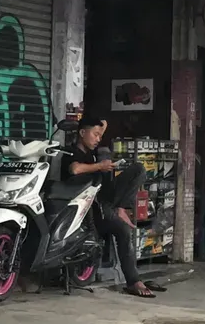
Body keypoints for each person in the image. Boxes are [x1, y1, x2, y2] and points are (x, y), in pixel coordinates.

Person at [61, 115, 156, 298]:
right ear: (82, 133)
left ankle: (121, 208)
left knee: (138, 169)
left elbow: (103, 123)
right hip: (91, 207)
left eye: (99, 135)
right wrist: (99, 166)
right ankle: (133, 281)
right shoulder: (72, 152)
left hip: (107, 197)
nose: (98, 138)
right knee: (123, 231)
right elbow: (75, 169)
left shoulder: (94, 150)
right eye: (95, 135)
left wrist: (99, 129)